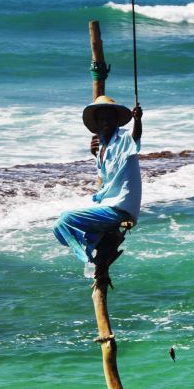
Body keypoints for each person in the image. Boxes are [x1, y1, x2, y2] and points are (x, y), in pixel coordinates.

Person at [53, 95, 143, 277]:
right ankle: (92, 245)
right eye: (101, 119)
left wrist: (138, 121)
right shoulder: (102, 146)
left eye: (109, 118)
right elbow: (106, 175)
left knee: (65, 219)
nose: (105, 122)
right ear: (96, 122)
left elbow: (135, 136)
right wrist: (96, 154)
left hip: (120, 207)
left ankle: (87, 260)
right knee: (58, 229)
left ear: (116, 120)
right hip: (106, 204)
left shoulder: (123, 139)